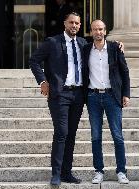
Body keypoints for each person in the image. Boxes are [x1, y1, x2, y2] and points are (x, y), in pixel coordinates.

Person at [29, 12, 86, 186]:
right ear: (65, 24)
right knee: (62, 133)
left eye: (77, 23)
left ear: (80, 25)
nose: (74, 26)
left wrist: (117, 45)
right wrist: (43, 81)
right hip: (60, 94)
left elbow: (102, 49)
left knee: (71, 135)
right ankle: (56, 173)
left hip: (78, 95)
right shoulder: (52, 42)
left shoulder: (83, 44)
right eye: (71, 23)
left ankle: (66, 173)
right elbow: (34, 61)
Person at [82, 20, 130, 184]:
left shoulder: (115, 48)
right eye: (95, 29)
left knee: (117, 136)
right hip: (93, 97)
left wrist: (126, 94)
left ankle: (121, 171)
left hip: (112, 96)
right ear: (91, 32)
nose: (98, 32)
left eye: (101, 29)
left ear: (105, 30)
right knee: (96, 136)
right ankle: (98, 170)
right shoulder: (86, 48)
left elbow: (125, 72)